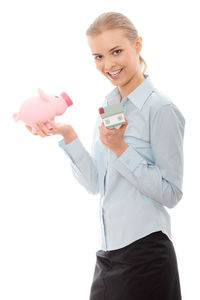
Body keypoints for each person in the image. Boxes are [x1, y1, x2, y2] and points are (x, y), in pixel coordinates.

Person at [26, 11, 185, 300]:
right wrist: (68, 135)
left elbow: (172, 194)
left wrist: (120, 149)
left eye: (116, 51)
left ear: (137, 45)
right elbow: (95, 183)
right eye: (98, 56)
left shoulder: (160, 109)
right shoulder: (110, 104)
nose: (108, 65)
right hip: (108, 257)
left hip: (146, 254)